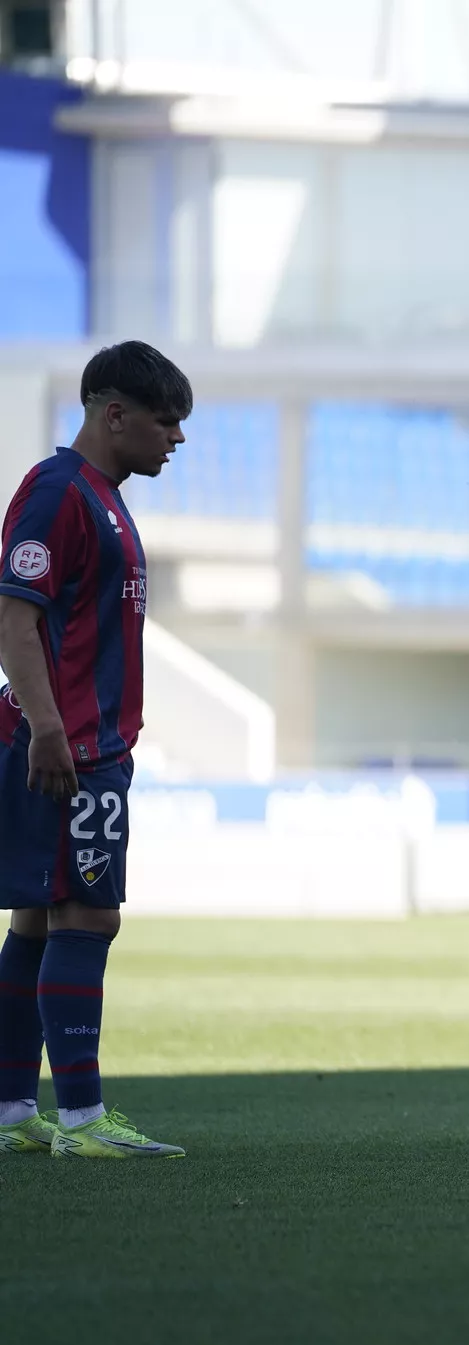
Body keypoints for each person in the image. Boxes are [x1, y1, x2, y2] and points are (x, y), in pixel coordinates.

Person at [0, 341, 189, 1159]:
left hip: (81, 739)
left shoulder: (101, 497)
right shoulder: (59, 492)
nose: (176, 438)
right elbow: (14, 616)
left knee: (38, 920)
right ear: (115, 415)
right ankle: (82, 1120)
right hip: (69, 746)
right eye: (165, 421)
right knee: (88, 916)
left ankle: (12, 1113)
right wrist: (48, 727)